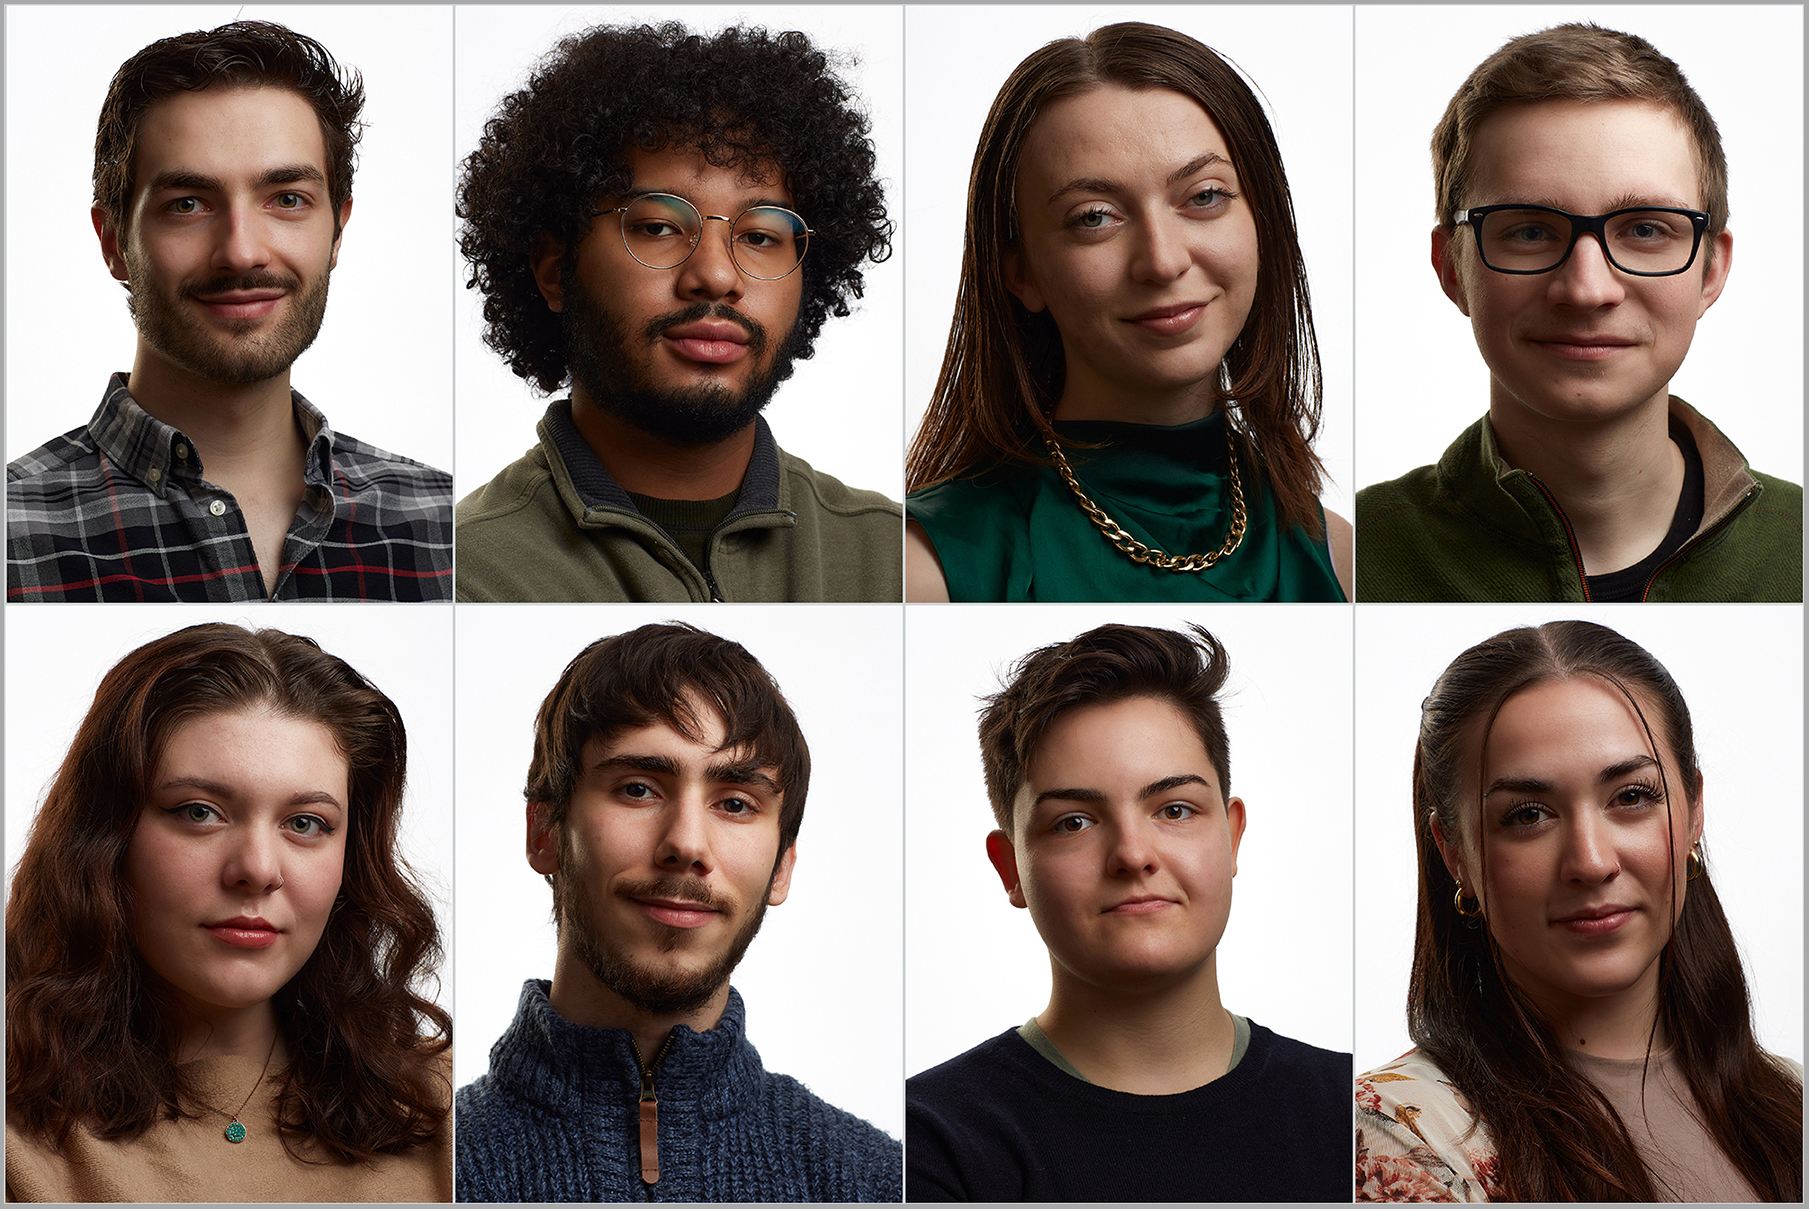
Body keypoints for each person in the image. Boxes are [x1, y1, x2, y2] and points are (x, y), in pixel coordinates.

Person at [5, 21, 453, 603]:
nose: (241, 250)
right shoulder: (13, 535)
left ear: (337, 230)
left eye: (287, 200)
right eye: (187, 204)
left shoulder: (443, 526)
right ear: (113, 241)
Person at [1355, 620, 1803, 1201]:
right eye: (1527, 815)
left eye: (1633, 797)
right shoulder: (1396, 1134)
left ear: (1694, 811)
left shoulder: (1793, 1102)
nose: (1591, 863)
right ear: (1454, 852)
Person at [454, 23, 903, 603]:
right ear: (553, 270)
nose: (717, 275)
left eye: (761, 235)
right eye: (659, 227)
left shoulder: (891, 559)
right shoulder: (468, 575)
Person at [904, 22, 1351, 603]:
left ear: (1263, 221)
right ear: (1021, 272)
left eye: (1205, 196)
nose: (1163, 262)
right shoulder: (928, 570)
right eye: (1094, 216)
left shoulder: (1338, 555)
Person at [4, 623, 452, 1202]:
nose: (259, 869)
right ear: (104, 836)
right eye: (199, 812)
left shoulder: (438, 1111)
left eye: (306, 823)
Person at [1355, 24, 1802, 602]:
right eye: (1531, 230)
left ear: (1711, 270)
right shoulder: (1350, 560)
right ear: (1452, 269)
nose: (1587, 290)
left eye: (1645, 229)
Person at [455, 623, 901, 1201]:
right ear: (544, 832)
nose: (687, 844)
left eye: (736, 804)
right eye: (639, 789)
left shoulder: (877, 1182)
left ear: (782, 867)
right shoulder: (420, 1176)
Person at [907, 624, 1349, 1201]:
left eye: (1175, 809)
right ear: (1010, 867)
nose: (1133, 855)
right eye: (1075, 822)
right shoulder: (930, 1148)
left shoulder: (1359, 1117)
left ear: (1233, 837)